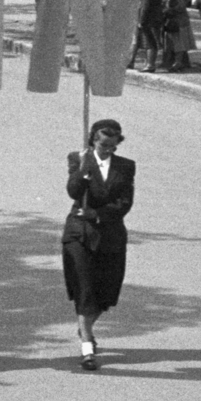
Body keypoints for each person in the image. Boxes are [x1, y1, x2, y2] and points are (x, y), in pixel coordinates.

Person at [62, 119, 135, 371]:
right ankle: (87, 346)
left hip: (110, 235)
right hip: (79, 235)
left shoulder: (126, 167)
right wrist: (82, 170)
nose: (107, 150)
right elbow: (73, 191)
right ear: (93, 139)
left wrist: (96, 214)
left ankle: (86, 326)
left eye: (112, 147)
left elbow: (124, 203)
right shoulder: (78, 158)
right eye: (103, 145)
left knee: (106, 293)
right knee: (85, 288)